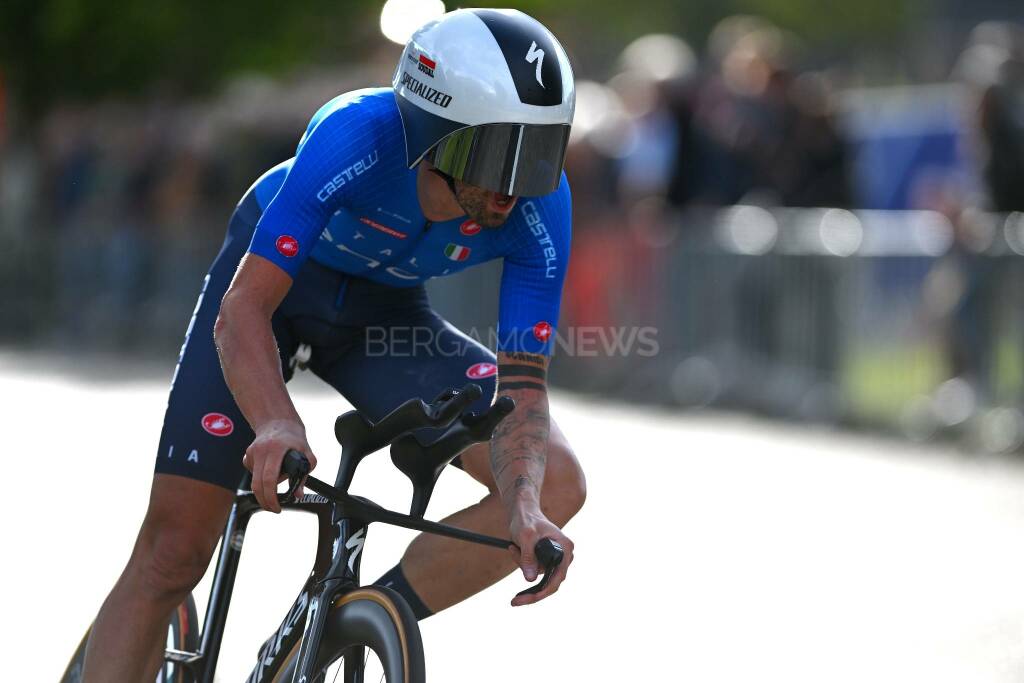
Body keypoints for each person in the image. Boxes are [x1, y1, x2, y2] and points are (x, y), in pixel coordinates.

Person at [80, 8, 586, 681]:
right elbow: (243, 312)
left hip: (384, 316)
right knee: (173, 552)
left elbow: (523, 387)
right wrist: (274, 419)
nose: (516, 185)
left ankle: (345, 626)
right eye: (498, 155)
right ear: (435, 134)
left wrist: (523, 508)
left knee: (554, 478)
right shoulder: (358, 133)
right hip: (275, 297)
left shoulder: (540, 205)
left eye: (539, 154)